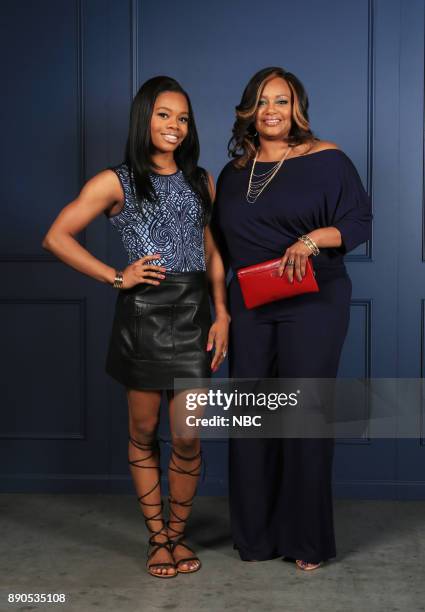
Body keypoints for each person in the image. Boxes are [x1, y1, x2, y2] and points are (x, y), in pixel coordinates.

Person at [42, 76, 230, 578]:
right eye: (164, 114)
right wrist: (115, 276)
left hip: (194, 315)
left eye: (183, 118)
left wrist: (223, 313)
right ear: (144, 118)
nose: (174, 125)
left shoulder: (201, 180)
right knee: (143, 431)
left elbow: (213, 253)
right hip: (143, 315)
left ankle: (177, 534)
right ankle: (157, 539)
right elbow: (56, 236)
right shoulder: (116, 180)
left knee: (188, 434)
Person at [211, 66, 372, 570]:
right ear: (248, 112)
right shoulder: (233, 174)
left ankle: (307, 541)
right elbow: (215, 245)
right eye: (262, 102)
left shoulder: (327, 159)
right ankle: (257, 537)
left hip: (314, 300)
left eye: (281, 101)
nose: (272, 111)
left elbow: (358, 222)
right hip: (251, 304)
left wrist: (308, 240)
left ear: (297, 108)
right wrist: (220, 309)